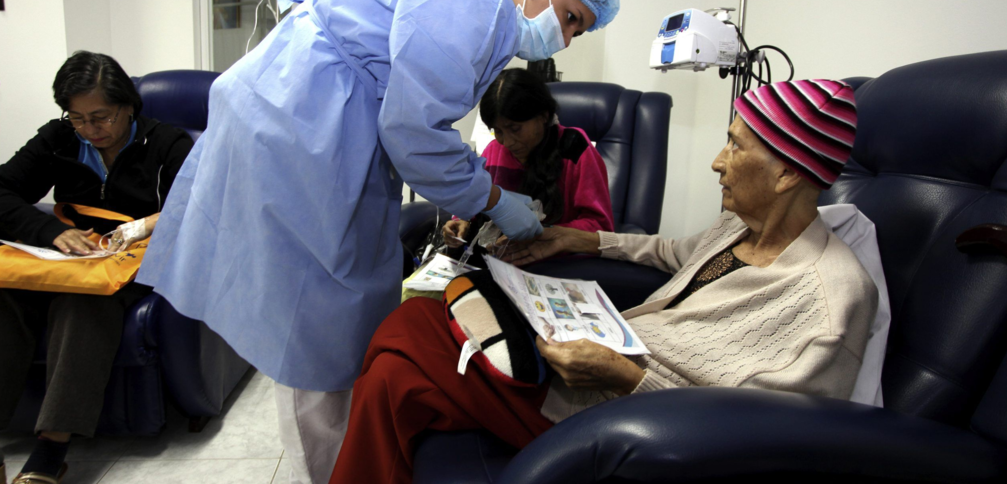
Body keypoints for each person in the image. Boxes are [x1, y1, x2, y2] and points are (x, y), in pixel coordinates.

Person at [136, 0, 620, 484]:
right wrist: (494, 198)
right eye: (571, 18)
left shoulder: (479, 4)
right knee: (315, 316)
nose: (566, 38)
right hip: (301, 127)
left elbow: (413, 118)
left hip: (318, 123)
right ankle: (328, 469)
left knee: (341, 304)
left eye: (578, 30)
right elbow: (416, 133)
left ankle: (347, 450)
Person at [328, 79, 878, 484]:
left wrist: (624, 377)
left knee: (405, 342)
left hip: (625, 418)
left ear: (787, 173)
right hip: (596, 361)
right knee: (400, 361)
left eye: (735, 146)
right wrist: (578, 241)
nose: (717, 162)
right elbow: (668, 251)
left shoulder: (832, 298)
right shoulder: (739, 227)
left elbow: (767, 440)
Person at [0, 52, 192, 484]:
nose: (90, 130)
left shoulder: (166, 143)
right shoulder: (58, 139)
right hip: (61, 256)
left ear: (128, 106)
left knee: (82, 304)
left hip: (127, 262)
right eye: (78, 118)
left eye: (101, 117)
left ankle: (52, 447)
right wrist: (50, 231)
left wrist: (140, 228)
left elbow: (195, 206)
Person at [442, 67, 614, 252]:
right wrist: (462, 221)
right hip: (497, 259)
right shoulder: (493, 150)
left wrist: (542, 235)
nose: (507, 142)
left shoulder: (574, 149)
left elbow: (600, 227)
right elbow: (477, 200)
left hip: (555, 261)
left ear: (543, 116)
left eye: (515, 129)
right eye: (497, 131)